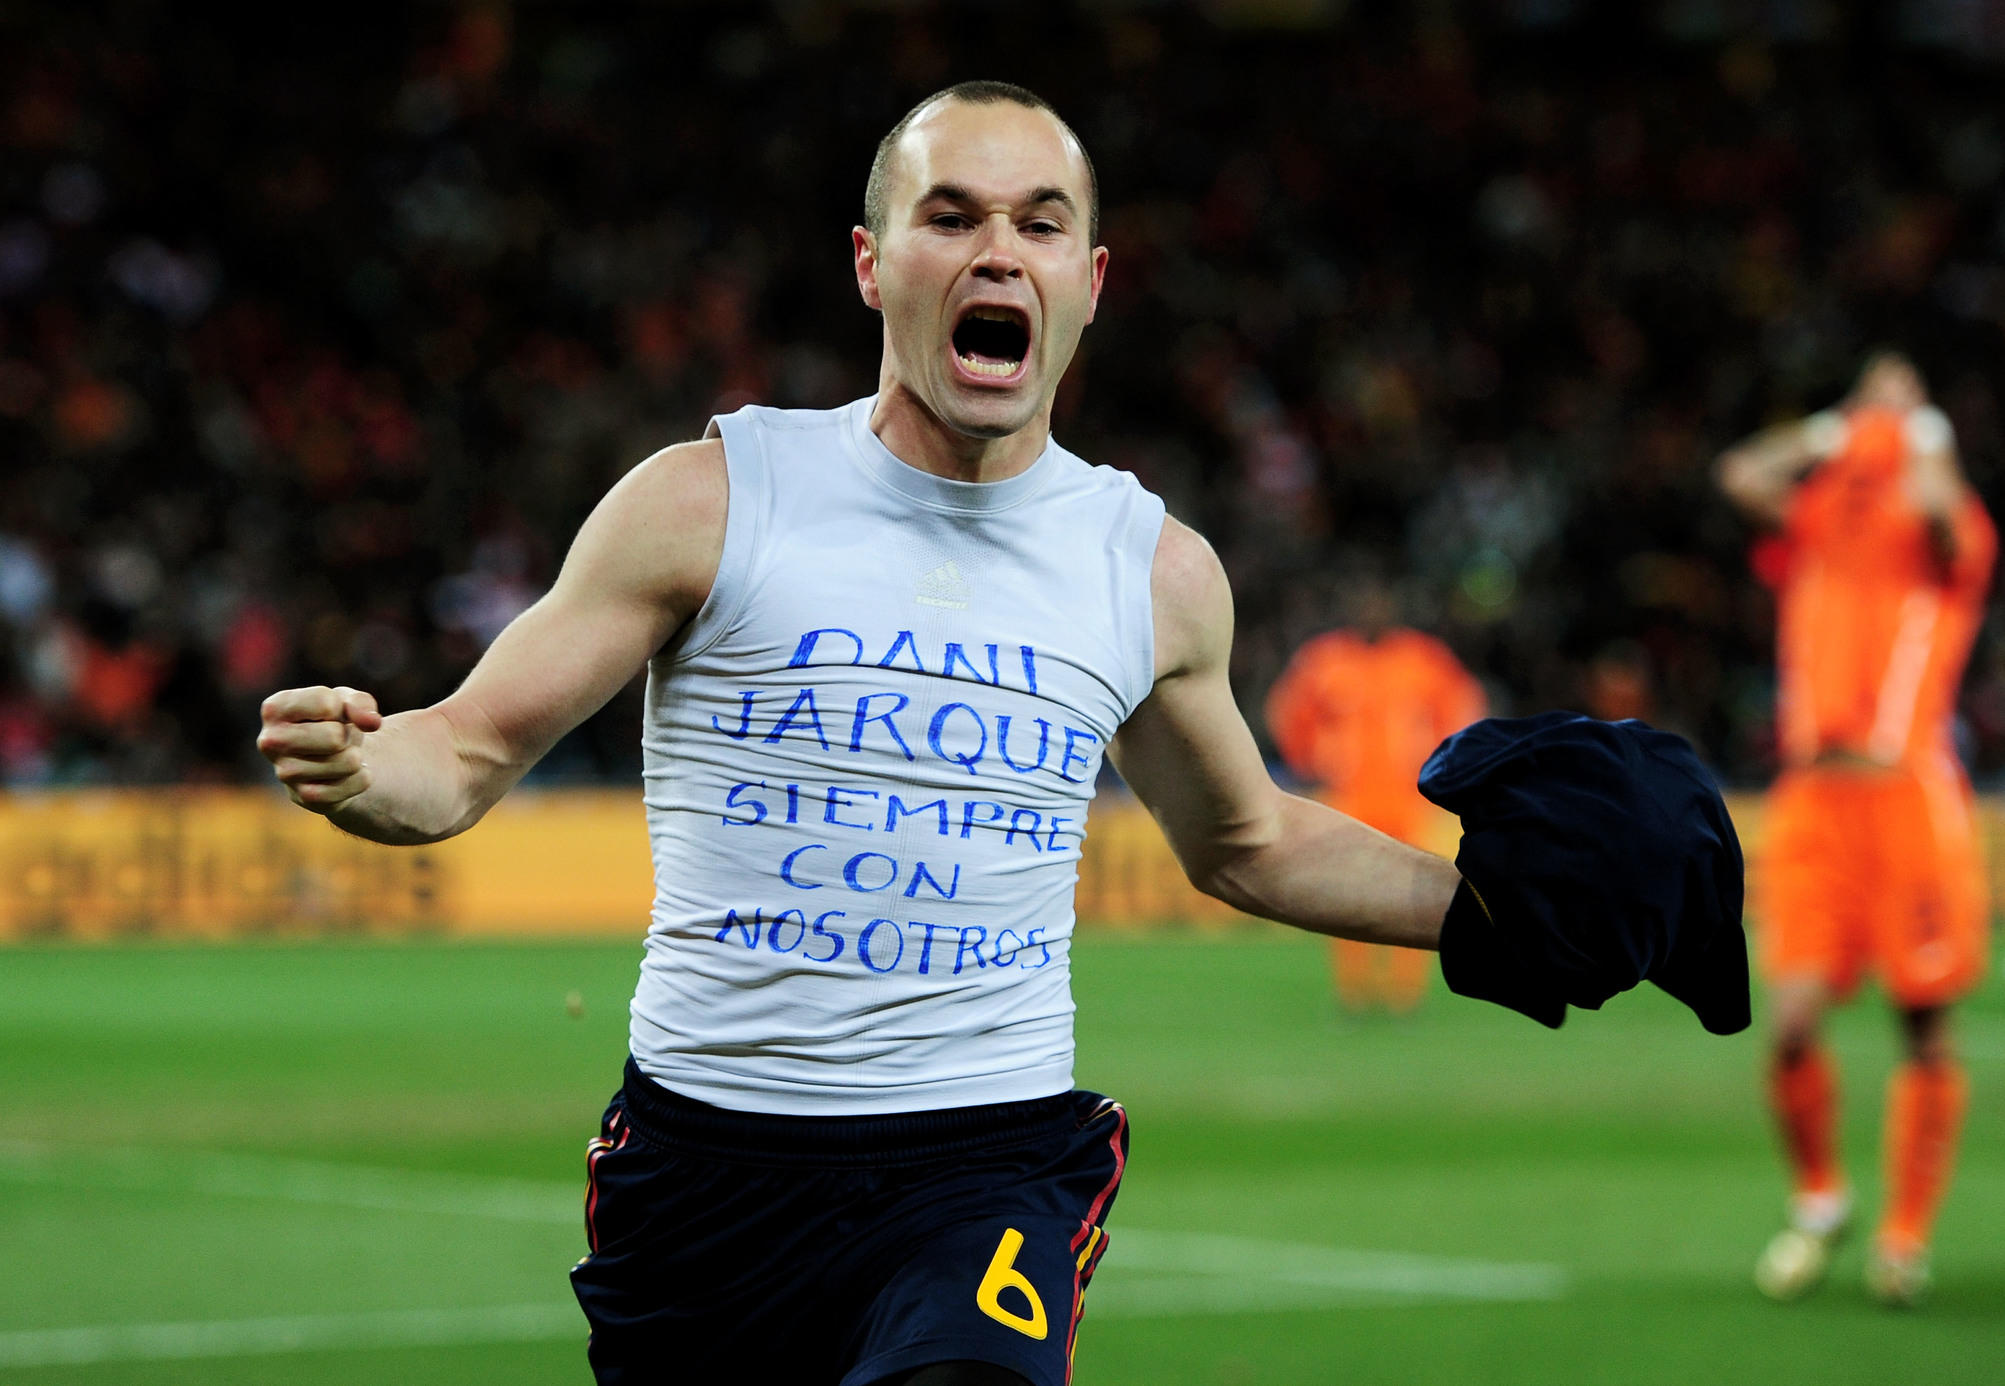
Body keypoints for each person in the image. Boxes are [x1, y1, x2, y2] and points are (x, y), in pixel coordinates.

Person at [258, 82, 1733, 1385]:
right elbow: (462, 751)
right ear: (872, 263)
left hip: (984, 1158)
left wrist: (1484, 915)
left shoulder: (1151, 568)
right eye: (949, 214)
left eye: (1038, 223)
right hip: (704, 1172)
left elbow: (1250, 837)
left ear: (1088, 282)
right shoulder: (712, 498)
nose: (996, 251)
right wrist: (363, 764)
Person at [1717, 352, 1997, 1308]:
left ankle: (1905, 1235)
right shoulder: (1822, 514)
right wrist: (1829, 430)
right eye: (1871, 393)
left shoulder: (1944, 532)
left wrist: (1926, 434)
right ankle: (1821, 1198)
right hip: (1812, 800)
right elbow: (1741, 475)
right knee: (1791, 1025)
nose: (1882, 410)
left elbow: (1951, 525)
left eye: (1899, 394)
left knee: (1922, 1023)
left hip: (1908, 794)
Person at [1264, 573, 1485, 1014]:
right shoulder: (1325, 659)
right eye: (1364, 607)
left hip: (1408, 798)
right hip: (1348, 797)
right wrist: (1310, 760)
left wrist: (1445, 766)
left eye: (1379, 607)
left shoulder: (1422, 658)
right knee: (1345, 892)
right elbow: (1288, 712)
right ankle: (1356, 990)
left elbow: (1462, 708)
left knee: (1412, 892)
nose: (1372, 614)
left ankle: (1404, 992)